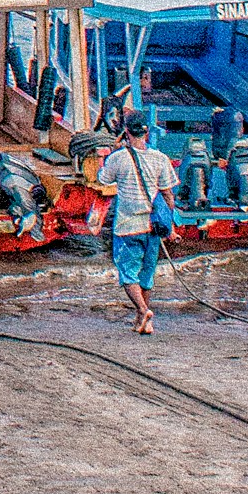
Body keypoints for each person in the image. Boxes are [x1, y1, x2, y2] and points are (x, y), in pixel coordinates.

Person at [95, 110, 175, 335]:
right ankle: (144, 320)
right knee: (146, 274)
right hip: (153, 226)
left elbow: (103, 179)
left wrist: (108, 154)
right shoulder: (160, 158)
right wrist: (170, 226)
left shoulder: (118, 158)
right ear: (147, 132)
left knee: (128, 274)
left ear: (126, 131)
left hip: (127, 225)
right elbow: (168, 196)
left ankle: (143, 309)